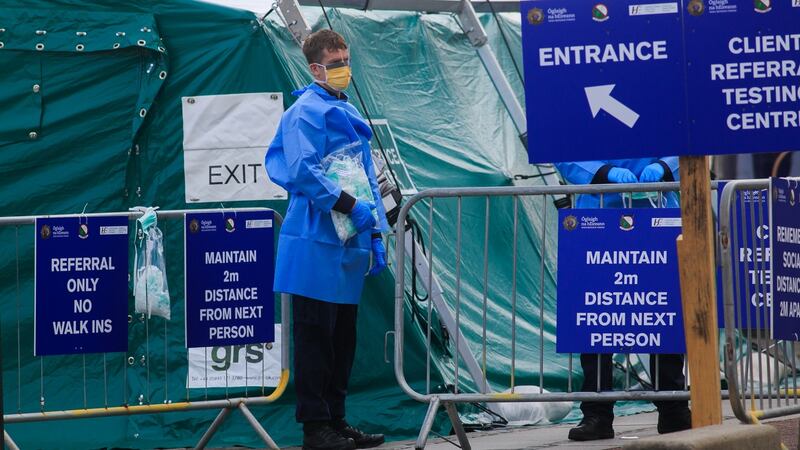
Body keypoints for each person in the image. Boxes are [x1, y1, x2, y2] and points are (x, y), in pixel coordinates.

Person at [265, 29, 389, 450]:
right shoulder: (305, 112)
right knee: (315, 337)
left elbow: (366, 174)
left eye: (345, 62)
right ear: (316, 67)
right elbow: (303, 171)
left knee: (342, 339)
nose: (343, 70)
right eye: (335, 64)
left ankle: (337, 420)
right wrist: (349, 205)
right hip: (315, 238)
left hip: (348, 240)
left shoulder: (344, 109)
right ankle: (315, 427)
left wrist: (375, 230)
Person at [555, 158, 692, 441]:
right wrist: (602, 173)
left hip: (657, 213)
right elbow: (564, 146)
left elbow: (686, 137)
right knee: (596, 317)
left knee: (659, 311)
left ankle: (674, 407)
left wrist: (665, 167)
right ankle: (596, 414)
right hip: (597, 217)